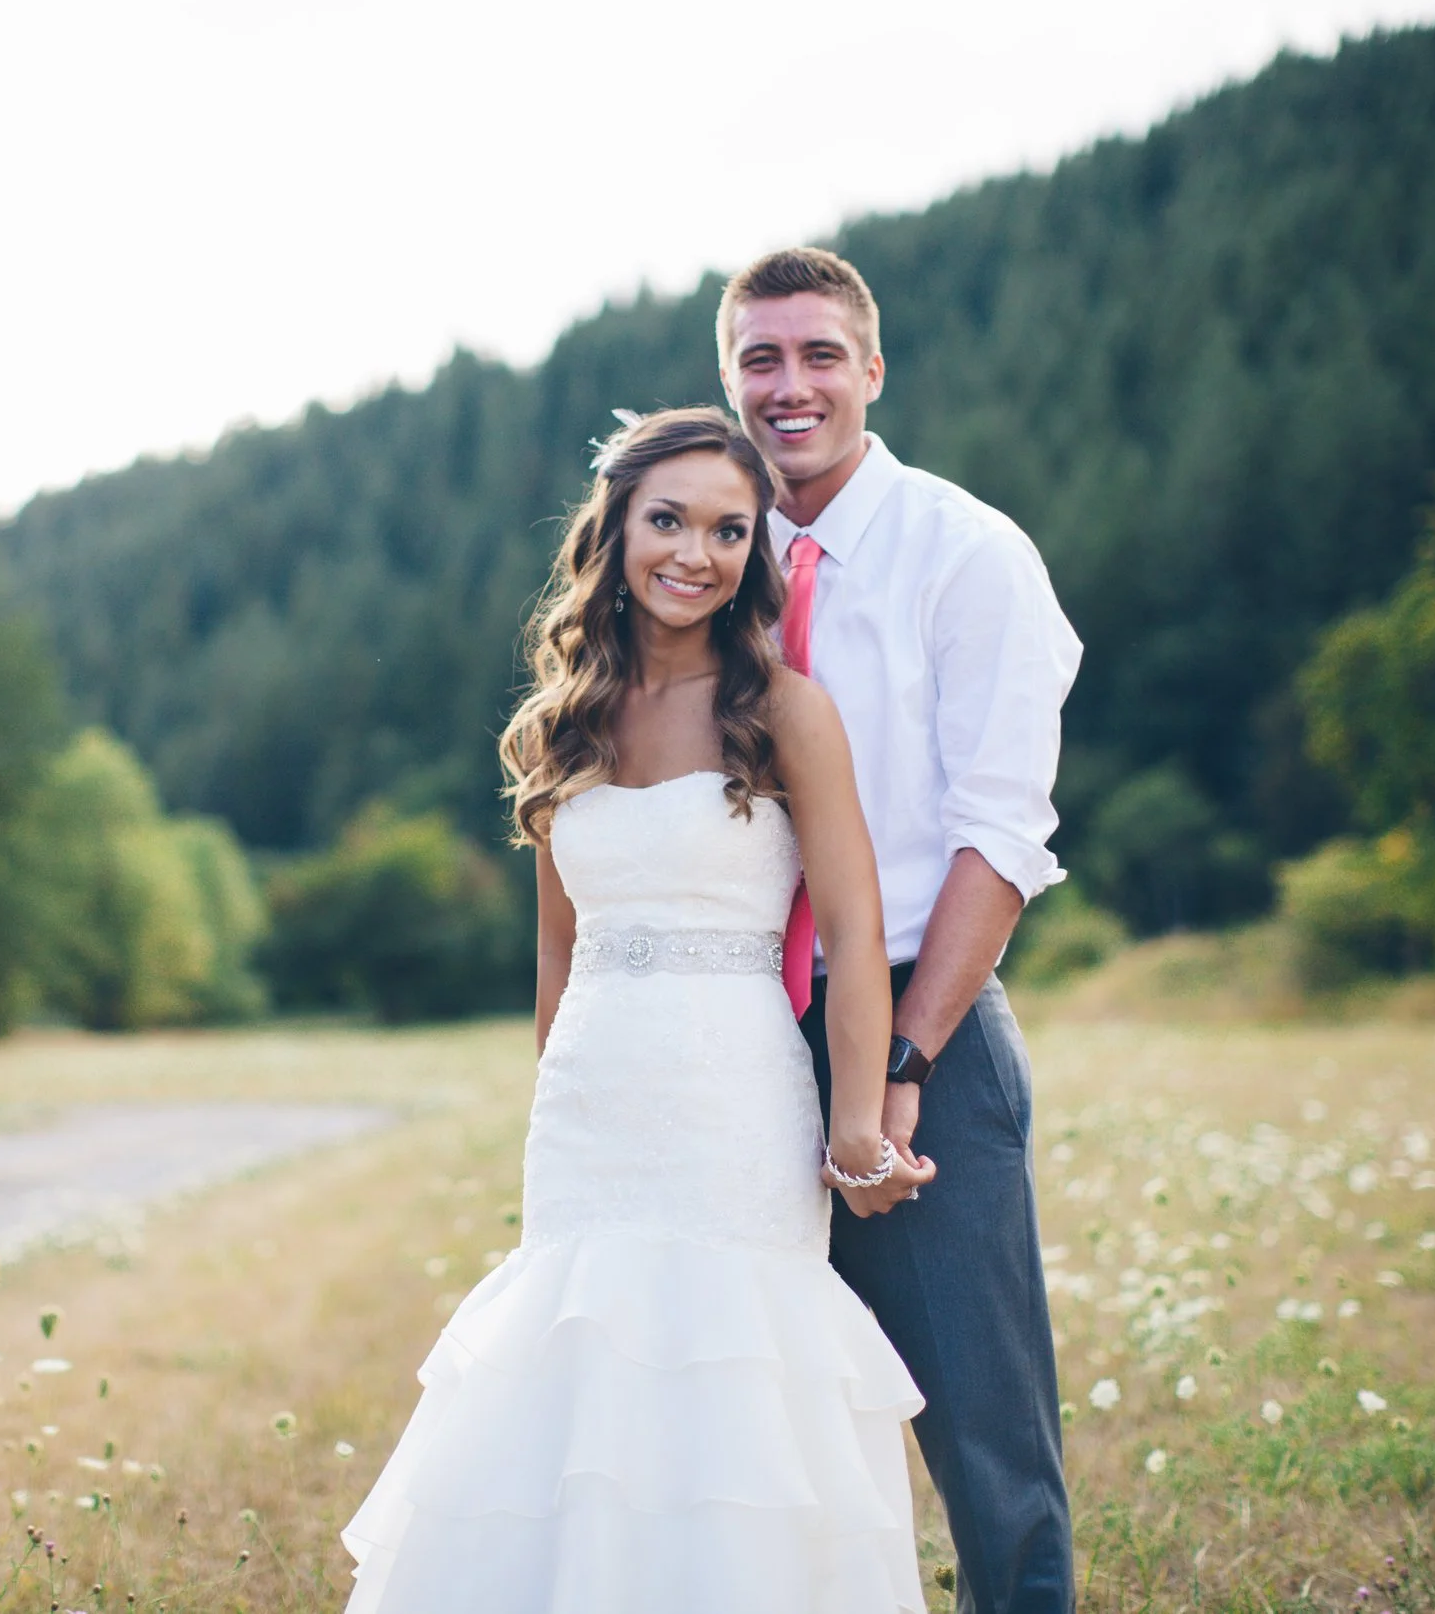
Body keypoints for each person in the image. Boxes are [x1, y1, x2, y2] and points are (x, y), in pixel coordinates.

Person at [340, 406, 936, 1612]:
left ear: (752, 551)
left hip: (735, 1095)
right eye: (667, 520)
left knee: (730, 1370)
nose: (694, 553)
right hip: (592, 1113)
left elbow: (858, 935)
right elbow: (558, 952)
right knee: (582, 1372)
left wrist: (858, 1124)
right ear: (613, 531)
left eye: (728, 529)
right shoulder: (560, 723)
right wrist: (557, 1095)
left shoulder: (786, 709)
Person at [721, 246, 1083, 1612]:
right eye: (762, 358)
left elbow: (1003, 838)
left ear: (875, 369)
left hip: (914, 1006)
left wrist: (908, 1064)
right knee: (754, 1403)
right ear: (729, 379)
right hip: (736, 1023)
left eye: (821, 355)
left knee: (982, 1427)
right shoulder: (708, 550)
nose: (791, 384)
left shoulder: (970, 554)